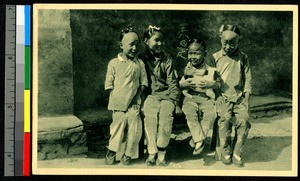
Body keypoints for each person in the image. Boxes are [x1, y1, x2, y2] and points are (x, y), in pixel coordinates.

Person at [104, 26, 148, 165]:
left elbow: (143, 83)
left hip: (134, 103)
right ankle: (112, 151)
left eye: (137, 44)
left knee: (135, 127)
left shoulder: (139, 63)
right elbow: (109, 85)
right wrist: (118, 101)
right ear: (121, 45)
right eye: (131, 44)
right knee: (118, 126)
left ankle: (128, 154)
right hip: (118, 104)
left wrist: (135, 97)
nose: (135, 48)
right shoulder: (114, 63)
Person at [139, 25, 182, 166]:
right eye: (156, 40)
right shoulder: (141, 59)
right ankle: (152, 152)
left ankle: (162, 151)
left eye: (162, 41)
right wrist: (140, 101)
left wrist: (176, 102)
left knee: (165, 116)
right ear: (146, 41)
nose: (160, 44)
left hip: (167, 95)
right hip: (150, 96)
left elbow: (172, 82)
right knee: (150, 116)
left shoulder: (167, 59)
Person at [212, 24, 252, 167]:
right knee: (224, 119)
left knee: (244, 120)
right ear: (220, 40)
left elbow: (248, 79)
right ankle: (225, 150)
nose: (228, 47)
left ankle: (237, 150)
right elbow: (212, 80)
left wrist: (246, 97)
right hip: (222, 97)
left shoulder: (243, 58)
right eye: (225, 43)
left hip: (239, 98)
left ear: (238, 42)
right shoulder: (215, 57)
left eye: (232, 43)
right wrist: (217, 96)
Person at [179, 39, 221, 155]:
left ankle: (197, 140)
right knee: (189, 112)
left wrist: (210, 84)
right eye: (190, 53)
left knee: (211, 114)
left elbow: (218, 84)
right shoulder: (187, 69)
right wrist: (183, 85)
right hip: (190, 98)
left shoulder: (211, 70)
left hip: (206, 99)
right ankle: (199, 139)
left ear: (205, 54)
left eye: (197, 53)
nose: (193, 57)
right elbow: (180, 84)